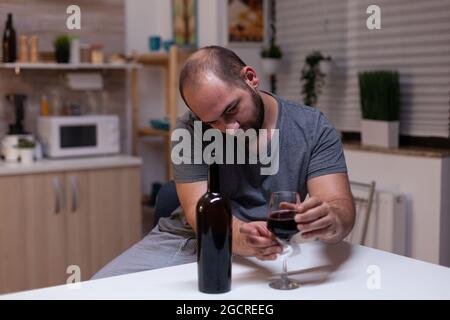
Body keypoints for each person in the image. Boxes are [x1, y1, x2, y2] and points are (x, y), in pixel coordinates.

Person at [92, 46, 355, 279]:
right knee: (99, 291)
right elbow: (198, 212)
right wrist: (245, 239)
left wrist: (330, 219)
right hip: (192, 240)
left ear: (250, 78)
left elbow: (340, 208)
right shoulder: (190, 129)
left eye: (231, 110)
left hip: (275, 251)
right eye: (213, 122)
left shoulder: (312, 127)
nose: (229, 129)